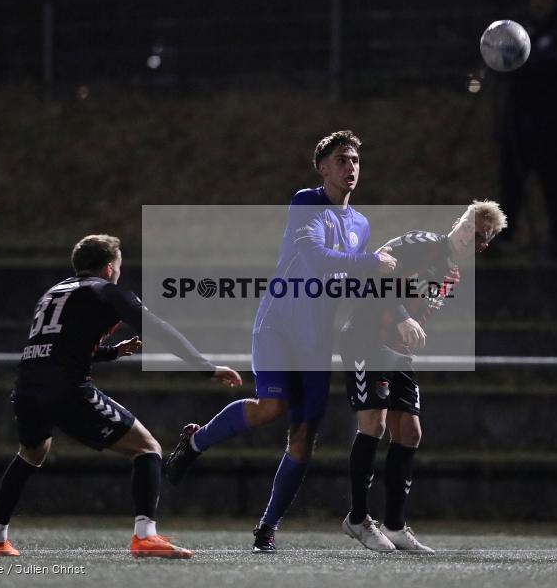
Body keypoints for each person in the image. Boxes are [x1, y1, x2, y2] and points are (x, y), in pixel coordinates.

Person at [162, 130, 398, 553]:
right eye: (342, 159)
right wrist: (370, 263)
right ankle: (194, 443)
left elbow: (345, 282)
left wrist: (392, 306)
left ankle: (266, 528)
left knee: (304, 434)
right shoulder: (304, 202)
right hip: (279, 326)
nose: (351, 167)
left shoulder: (361, 225)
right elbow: (318, 260)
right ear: (322, 167)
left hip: (316, 340)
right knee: (270, 408)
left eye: (356, 161)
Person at [0, 234, 242, 558]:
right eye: (118, 265)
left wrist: (111, 352)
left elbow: (58, 346)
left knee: (31, 454)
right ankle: (145, 536)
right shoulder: (106, 291)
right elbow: (156, 328)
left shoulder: (54, 292)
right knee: (148, 448)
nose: (119, 271)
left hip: (27, 387)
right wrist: (207, 368)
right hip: (66, 390)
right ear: (107, 268)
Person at [339, 200, 507, 552]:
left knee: (410, 432)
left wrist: (408, 328)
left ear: (483, 245)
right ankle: (357, 518)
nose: (466, 236)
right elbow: (373, 271)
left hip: (397, 350)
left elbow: (421, 308)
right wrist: (401, 315)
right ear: (456, 222)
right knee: (374, 425)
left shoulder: (453, 275)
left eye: (476, 235)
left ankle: (396, 525)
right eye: (465, 225)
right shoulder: (420, 243)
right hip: (365, 338)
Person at [494, 0, 557, 258]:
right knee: (511, 182)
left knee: (554, 184)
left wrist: (525, 62)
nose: (538, 3)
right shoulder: (529, 32)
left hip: (552, 126)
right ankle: (505, 236)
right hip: (520, 123)